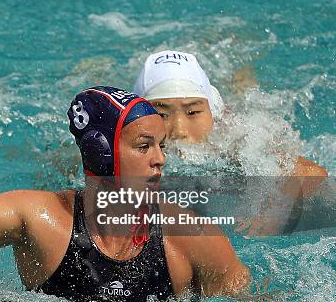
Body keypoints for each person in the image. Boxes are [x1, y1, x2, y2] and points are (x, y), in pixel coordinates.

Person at [0, 80, 250, 302]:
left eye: (161, 145)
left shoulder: (192, 237)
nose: (160, 159)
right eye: (144, 146)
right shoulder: (42, 221)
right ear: (101, 152)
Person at [133, 50, 328, 234]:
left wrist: (274, 210)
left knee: (245, 97)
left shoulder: (233, 141)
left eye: (193, 112)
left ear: (211, 112)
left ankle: (242, 76)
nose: (179, 130)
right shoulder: (132, 145)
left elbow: (310, 172)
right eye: (161, 114)